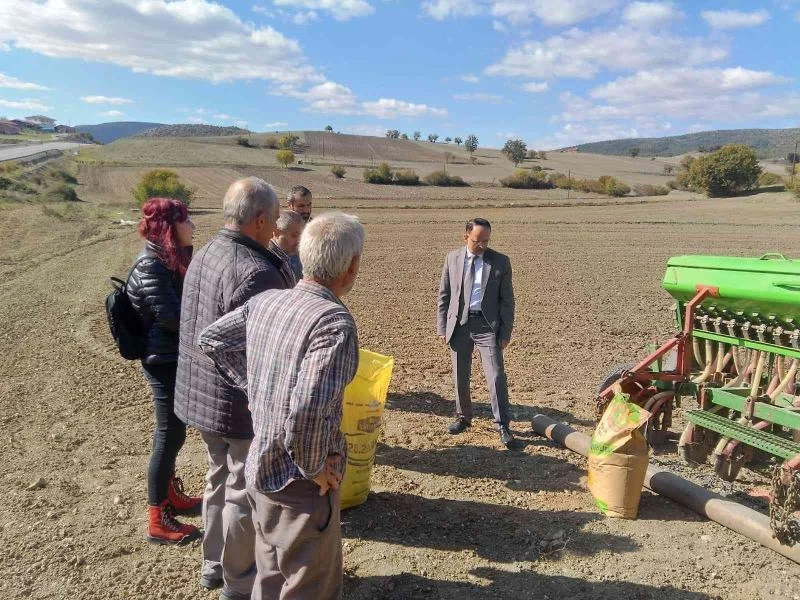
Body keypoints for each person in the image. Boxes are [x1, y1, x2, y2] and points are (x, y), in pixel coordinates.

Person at [198, 212, 364, 600]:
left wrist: (257, 391)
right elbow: (307, 410)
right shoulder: (333, 324)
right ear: (352, 267)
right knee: (308, 587)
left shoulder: (267, 302)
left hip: (260, 468)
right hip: (299, 487)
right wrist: (315, 467)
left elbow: (211, 340)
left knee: (270, 576)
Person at [174, 177, 288, 600]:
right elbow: (263, 352)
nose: (277, 229)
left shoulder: (205, 253)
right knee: (242, 489)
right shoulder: (256, 273)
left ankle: (212, 562)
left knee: (217, 476)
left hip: (199, 395)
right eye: (274, 220)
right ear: (259, 220)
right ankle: (239, 583)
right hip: (236, 404)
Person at [126, 197, 203, 545]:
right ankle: (158, 518)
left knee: (176, 431)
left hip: (172, 356)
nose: (192, 227)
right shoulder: (150, 266)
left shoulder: (168, 260)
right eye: (185, 221)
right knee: (168, 434)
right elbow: (173, 318)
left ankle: (170, 495)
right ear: (168, 227)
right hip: (161, 360)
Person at [437, 217, 516, 448]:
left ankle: (502, 424)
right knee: (460, 374)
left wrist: (505, 332)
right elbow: (444, 296)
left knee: (496, 375)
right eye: (477, 241)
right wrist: (442, 327)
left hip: (487, 326)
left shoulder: (500, 262)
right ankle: (463, 418)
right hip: (459, 325)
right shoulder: (452, 259)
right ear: (466, 237)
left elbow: (507, 301)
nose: (482, 246)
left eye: (486, 241)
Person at [269, 209, 305, 287]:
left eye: (301, 236)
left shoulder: (287, 256)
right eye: (294, 235)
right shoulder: (268, 260)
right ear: (277, 233)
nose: (299, 241)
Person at [286, 185, 312, 281]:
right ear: (290, 205)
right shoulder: (278, 230)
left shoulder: (316, 229)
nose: (306, 210)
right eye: (301, 206)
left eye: (309, 205)